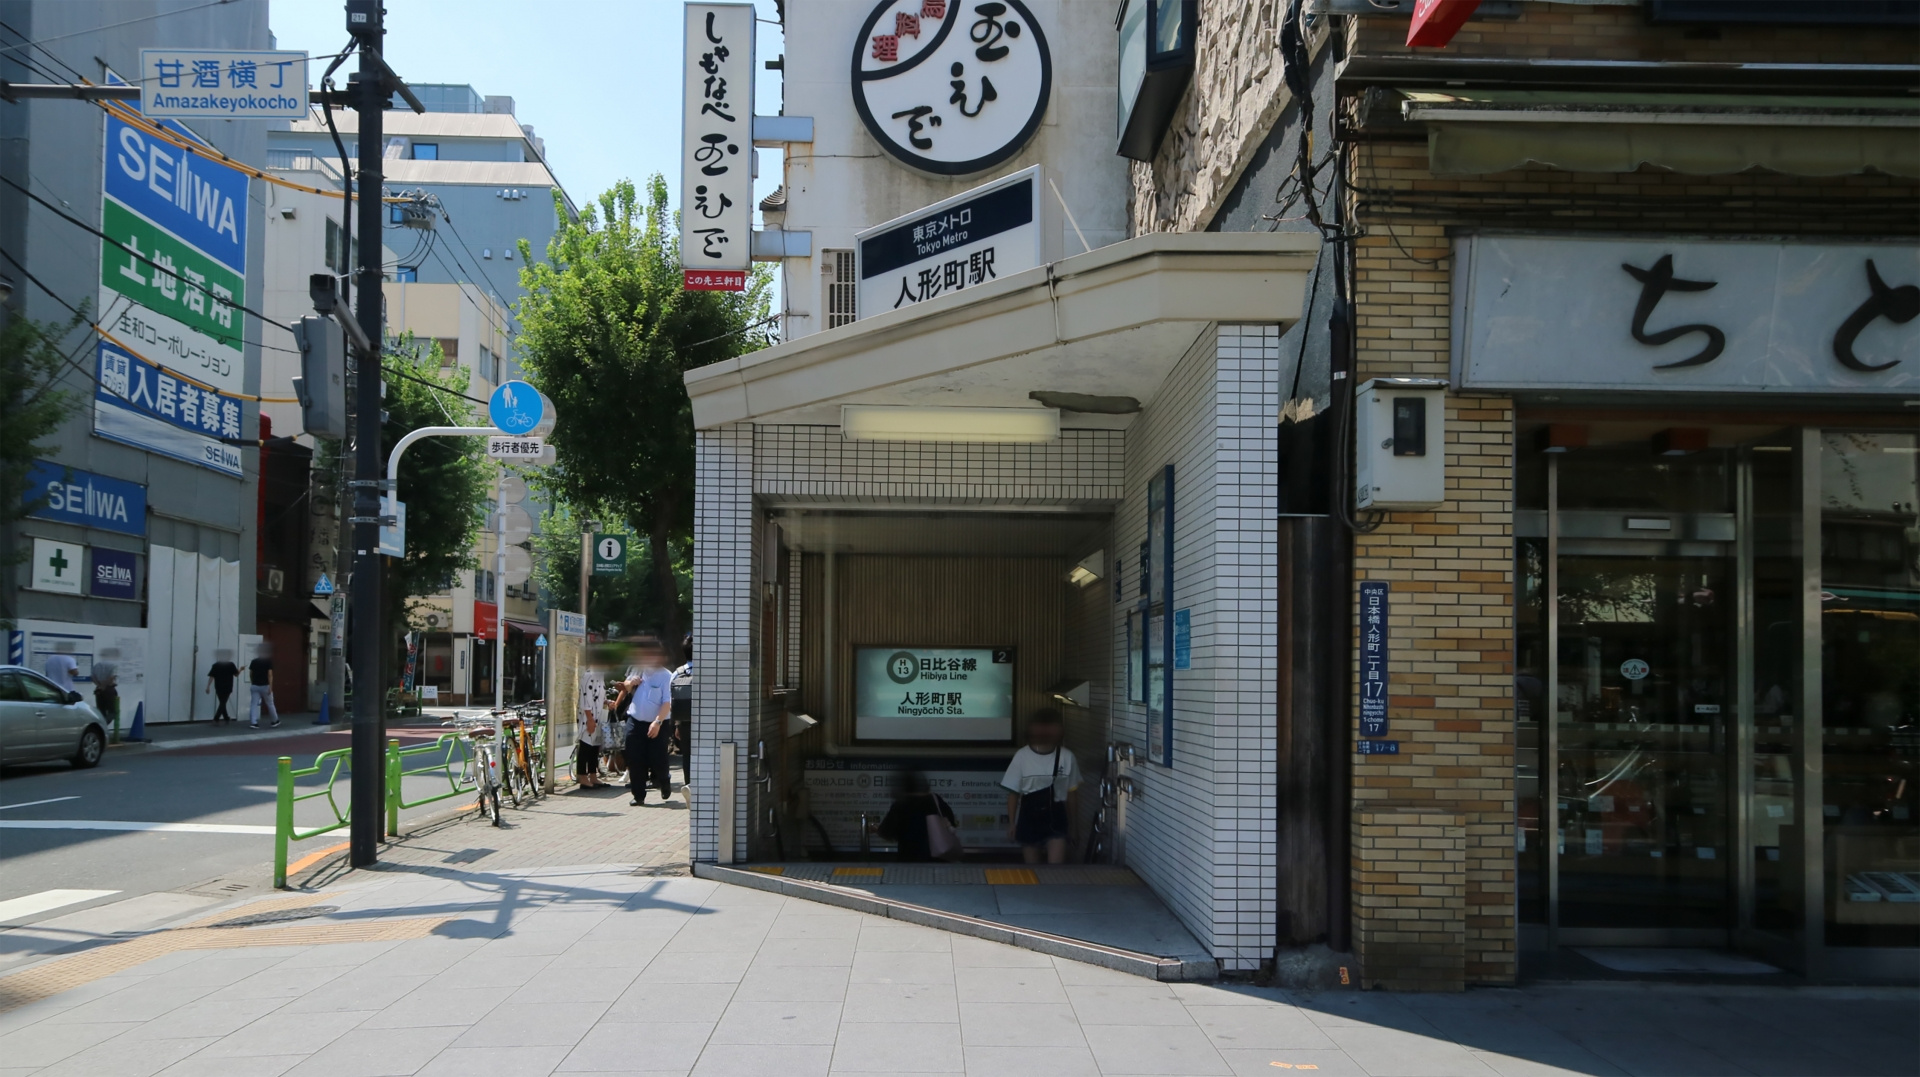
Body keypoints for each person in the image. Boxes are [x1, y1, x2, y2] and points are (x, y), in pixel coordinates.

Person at [1001, 708, 1081, 865]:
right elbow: (1013, 794)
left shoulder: (1067, 756)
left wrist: (1074, 827)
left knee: (1055, 871)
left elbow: (1072, 794)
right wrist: (1012, 823)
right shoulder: (1022, 756)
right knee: (1033, 871)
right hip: (1029, 817)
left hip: (1056, 817)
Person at [624, 638, 674, 806]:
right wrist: (630, 683)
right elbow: (625, 686)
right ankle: (638, 795)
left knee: (658, 759)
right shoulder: (638, 670)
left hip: (658, 723)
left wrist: (657, 722)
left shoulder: (666, 676)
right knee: (634, 758)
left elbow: (667, 702)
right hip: (635, 720)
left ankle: (664, 781)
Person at [878, 770, 961, 862]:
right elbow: (951, 824)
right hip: (940, 860)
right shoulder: (936, 800)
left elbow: (886, 832)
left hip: (909, 860)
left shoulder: (901, 804)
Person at [576, 655, 608, 789]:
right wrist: (589, 719)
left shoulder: (600, 676)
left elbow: (601, 695)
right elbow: (585, 699)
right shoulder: (588, 675)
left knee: (595, 746)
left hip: (598, 715)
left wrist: (608, 702)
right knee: (585, 746)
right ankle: (583, 776)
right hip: (588, 717)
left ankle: (593, 775)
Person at [246, 644, 279, 729]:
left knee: (253, 704)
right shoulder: (268, 661)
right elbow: (270, 675)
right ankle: (274, 720)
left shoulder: (254, 661)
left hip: (255, 686)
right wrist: (271, 687)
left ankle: (253, 722)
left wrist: (252, 682)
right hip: (265, 686)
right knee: (270, 704)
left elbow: (250, 673)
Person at [93, 648, 121, 741]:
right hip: (109, 690)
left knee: (101, 711)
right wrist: (104, 685)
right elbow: (111, 677)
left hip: (99, 691)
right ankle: (102, 726)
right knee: (113, 711)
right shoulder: (113, 665)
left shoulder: (97, 665)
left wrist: (99, 685)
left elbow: (92, 677)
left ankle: (100, 729)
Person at [204, 650, 240, 723]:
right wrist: (241, 670)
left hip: (218, 686)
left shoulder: (215, 665)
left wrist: (208, 686)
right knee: (223, 702)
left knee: (222, 702)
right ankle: (216, 718)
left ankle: (226, 717)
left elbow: (211, 676)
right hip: (228, 686)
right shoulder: (231, 665)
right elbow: (236, 675)